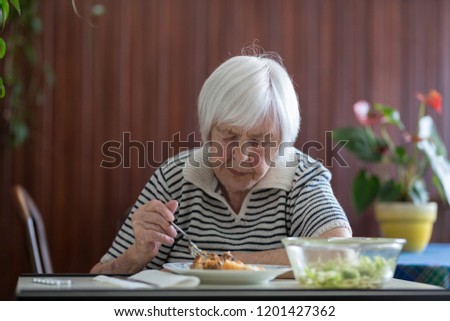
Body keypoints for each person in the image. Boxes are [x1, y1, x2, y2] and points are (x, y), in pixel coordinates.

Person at [90, 51, 352, 274]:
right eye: (229, 136)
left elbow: (340, 256)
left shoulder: (301, 177)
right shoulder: (175, 176)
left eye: (260, 141)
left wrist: (218, 264)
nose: (240, 156)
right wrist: (136, 256)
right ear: (208, 132)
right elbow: (97, 278)